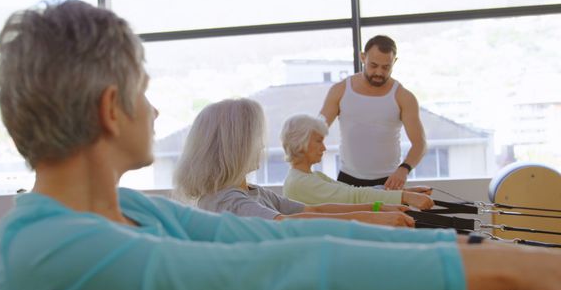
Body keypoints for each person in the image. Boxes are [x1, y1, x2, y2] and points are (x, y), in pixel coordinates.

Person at [0, 0, 561, 290]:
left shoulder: (135, 210)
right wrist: (514, 266)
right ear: (112, 109)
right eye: (144, 88)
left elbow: (279, 241)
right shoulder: (54, 249)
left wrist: (492, 250)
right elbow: (274, 274)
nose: (156, 113)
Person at [173, 98, 416, 227]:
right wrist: (373, 215)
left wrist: (376, 209)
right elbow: (288, 223)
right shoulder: (225, 201)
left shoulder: (255, 193)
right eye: (256, 140)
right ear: (237, 147)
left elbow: (313, 210)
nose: (261, 146)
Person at [320, 35, 426, 190]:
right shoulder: (340, 90)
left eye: (385, 67)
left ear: (394, 62)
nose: (379, 72)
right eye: (373, 65)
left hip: (389, 181)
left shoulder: (404, 97)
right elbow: (317, 130)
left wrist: (404, 169)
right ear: (363, 58)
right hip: (347, 179)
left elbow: (420, 143)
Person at [281, 113, 434, 209]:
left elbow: (351, 191)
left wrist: (405, 192)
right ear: (301, 142)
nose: (324, 148)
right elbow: (354, 197)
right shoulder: (300, 183)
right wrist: (404, 197)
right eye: (319, 141)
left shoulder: (310, 177)